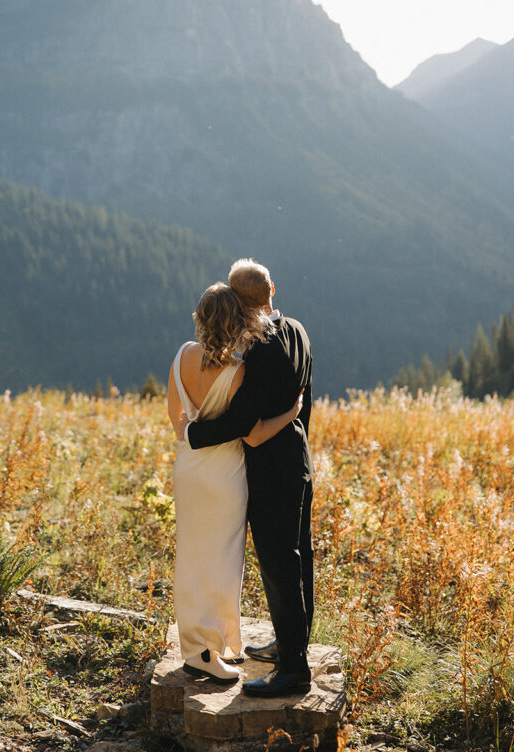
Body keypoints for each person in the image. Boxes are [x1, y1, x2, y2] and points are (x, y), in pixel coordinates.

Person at [183, 259, 314, 698]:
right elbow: (304, 399)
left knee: (279, 567)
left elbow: (242, 422)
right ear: (272, 289)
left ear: (237, 303)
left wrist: (193, 432)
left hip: (272, 471)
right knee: (300, 559)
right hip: (299, 460)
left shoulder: (259, 351)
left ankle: (293, 670)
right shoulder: (297, 329)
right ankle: (291, 645)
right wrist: (298, 432)